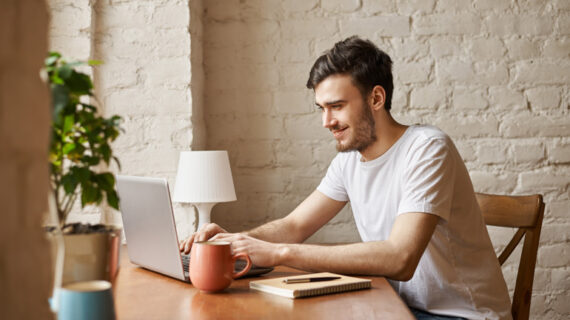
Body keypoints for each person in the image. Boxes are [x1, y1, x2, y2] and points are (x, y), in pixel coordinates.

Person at [180, 36, 512, 320]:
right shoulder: (349, 162)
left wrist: (279, 253)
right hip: (397, 306)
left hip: (459, 314)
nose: (326, 121)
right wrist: (235, 241)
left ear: (377, 99)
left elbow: (400, 258)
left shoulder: (427, 149)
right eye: (321, 108)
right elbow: (295, 226)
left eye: (336, 106)